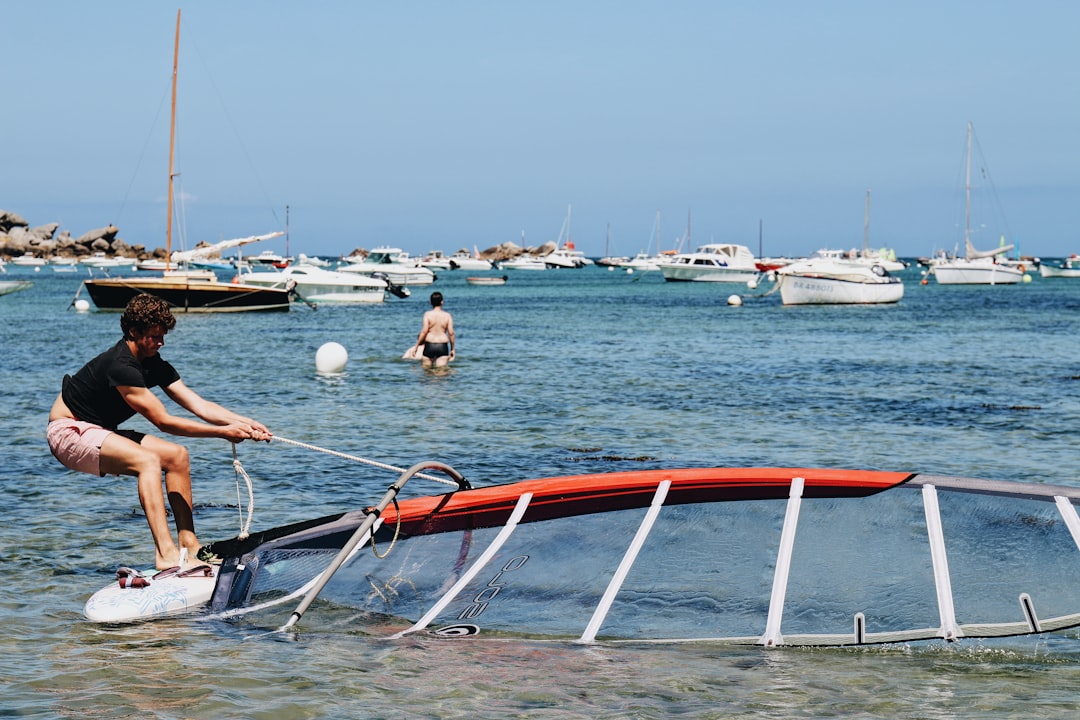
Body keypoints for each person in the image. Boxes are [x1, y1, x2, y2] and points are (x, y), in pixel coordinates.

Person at [46, 293, 271, 570]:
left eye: (163, 335)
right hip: (67, 431)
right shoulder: (121, 366)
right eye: (154, 336)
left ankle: (190, 548)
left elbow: (197, 404)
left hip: (98, 430)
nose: (160, 342)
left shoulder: (154, 363)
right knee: (148, 461)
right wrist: (223, 432)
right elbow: (164, 422)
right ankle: (165, 555)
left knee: (177, 456)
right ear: (133, 332)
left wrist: (245, 423)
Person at [412, 291, 455, 368]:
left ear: (430, 302)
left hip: (429, 345)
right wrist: (453, 349)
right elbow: (451, 333)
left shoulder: (427, 314)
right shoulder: (447, 316)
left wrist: (416, 346)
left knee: (427, 374)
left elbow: (424, 331)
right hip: (442, 345)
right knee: (441, 373)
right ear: (442, 302)